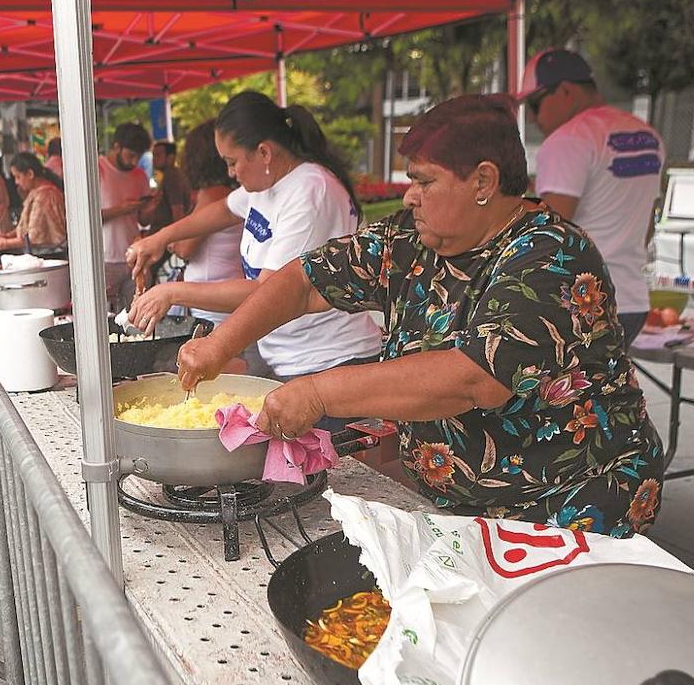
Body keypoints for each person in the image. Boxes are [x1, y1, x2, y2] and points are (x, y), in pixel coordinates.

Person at [177, 94, 665, 537]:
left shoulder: (552, 256)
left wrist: (319, 389)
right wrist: (220, 345)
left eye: (424, 181)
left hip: (566, 501)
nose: (410, 196)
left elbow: (473, 379)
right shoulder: (411, 239)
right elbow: (306, 280)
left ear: (483, 181)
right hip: (464, 505)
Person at [127, 92, 381, 395]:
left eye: (232, 162)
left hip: (329, 362)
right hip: (292, 359)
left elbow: (268, 290)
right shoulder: (267, 182)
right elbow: (224, 209)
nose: (230, 173)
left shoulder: (310, 192)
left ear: (264, 153)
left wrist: (173, 292)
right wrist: (160, 238)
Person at [519, 48, 665, 345]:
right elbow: (646, 226)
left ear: (566, 91)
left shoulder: (568, 140)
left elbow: (551, 232)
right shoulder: (647, 135)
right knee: (605, 390)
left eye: (534, 104)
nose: (532, 118)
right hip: (632, 301)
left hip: (582, 303)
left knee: (562, 393)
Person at [154, 120, 243, 325]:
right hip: (222, 298)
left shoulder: (212, 195)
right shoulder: (231, 192)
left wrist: (166, 240)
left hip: (213, 304)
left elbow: (185, 248)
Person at [99, 122, 153, 310]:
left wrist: (149, 207)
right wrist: (122, 209)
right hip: (104, 257)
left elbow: (143, 220)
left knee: (136, 314)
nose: (134, 162)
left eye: (138, 157)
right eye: (131, 155)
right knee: (104, 316)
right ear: (117, 147)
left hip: (133, 256)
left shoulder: (140, 176)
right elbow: (87, 218)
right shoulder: (98, 169)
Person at [0, 152, 67, 250]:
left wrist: (5, 243)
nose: (16, 182)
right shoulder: (36, 192)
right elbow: (26, 228)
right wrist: (8, 236)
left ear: (30, 174)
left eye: (18, 177)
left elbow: (33, 238)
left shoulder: (45, 196)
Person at [140, 140, 192, 234]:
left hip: (167, 240)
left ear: (170, 157)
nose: (154, 159)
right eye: (153, 155)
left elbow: (178, 211)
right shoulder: (169, 176)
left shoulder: (172, 176)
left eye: (158, 155)